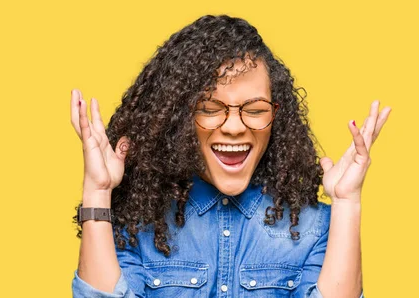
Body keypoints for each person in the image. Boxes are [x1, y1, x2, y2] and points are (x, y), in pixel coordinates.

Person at [69, 15, 390, 298]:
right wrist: (97, 192)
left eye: (254, 109)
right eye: (210, 109)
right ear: (180, 118)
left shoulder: (315, 227)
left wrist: (347, 203)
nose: (235, 127)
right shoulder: (137, 222)